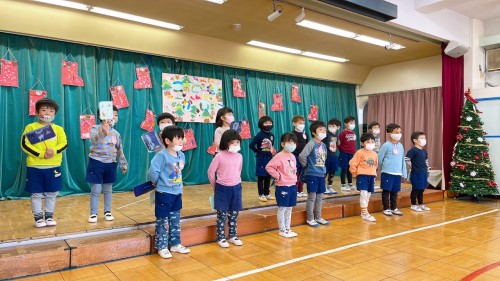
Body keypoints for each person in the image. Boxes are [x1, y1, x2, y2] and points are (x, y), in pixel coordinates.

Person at [21, 98, 67, 228]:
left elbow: (64, 144)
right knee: (36, 193)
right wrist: (41, 154)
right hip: (35, 166)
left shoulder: (58, 129)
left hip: (53, 166)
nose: (48, 113)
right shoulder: (31, 127)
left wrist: (54, 151)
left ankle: (49, 216)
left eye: (51, 111)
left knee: (52, 193)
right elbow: (25, 144)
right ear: (37, 112)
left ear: (54, 114)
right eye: (44, 110)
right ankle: (38, 218)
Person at [148, 126, 191, 258]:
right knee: (162, 221)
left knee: (175, 220)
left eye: (182, 138)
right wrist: (158, 184)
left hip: (177, 194)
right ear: (167, 141)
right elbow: (153, 172)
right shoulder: (161, 155)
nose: (181, 141)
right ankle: (161, 247)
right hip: (164, 194)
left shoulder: (181, 155)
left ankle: (175, 244)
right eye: (178, 138)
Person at [87, 105, 127, 223]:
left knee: (108, 189)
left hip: (110, 163)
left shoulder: (116, 133)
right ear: (101, 116)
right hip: (96, 162)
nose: (113, 118)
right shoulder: (95, 128)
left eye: (115, 115)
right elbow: (94, 140)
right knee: (96, 189)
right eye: (110, 115)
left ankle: (107, 211)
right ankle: (93, 213)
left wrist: (123, 163)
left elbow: (119, 149)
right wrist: (103, 132)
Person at [207, 130, 244, 248]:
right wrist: (215, 187)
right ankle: (221, 237)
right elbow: (211, 172)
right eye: (233, 143)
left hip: (236, 188)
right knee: (222, 215)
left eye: (237, 142)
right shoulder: (219, 156)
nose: (236, 145)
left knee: (234, 214)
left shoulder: (239, 156)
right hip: (222, 188)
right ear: (226, 143)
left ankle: (233, 235)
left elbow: (238, 171)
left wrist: (237, 182)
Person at [266, 132, 299, 238]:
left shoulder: (293, 156)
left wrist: (294, 179)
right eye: (289, 142)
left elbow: (294, 169)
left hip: (292, 185)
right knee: (282, 208)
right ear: (282, 144)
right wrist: (278, 176)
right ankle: (282, 230)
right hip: (282, 186)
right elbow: (269, 167)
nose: (292, 145)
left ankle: (288, 229)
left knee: (289, 208)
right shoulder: (279, 156)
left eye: (294, 143)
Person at [299, 121, 329, 227]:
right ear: (313, 132)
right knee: (312, 197)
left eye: (324, 130)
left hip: (321, 174)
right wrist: (307, 166)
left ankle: (318, 217)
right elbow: (302, 156)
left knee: (320, 197)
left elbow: (324, 158)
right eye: (320, 130)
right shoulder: (311, 143)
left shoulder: (324, 145)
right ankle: (310, 218)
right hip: (312, 174)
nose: (323, 132)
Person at [378, 123, 407, 216]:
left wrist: (403, 172)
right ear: (390, 133)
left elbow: (402, 159)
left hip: (397, 173)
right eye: (396, 132)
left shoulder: (401, 146)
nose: (399, 134)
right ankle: (386, 208)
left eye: (400, 132)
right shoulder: (386, 145)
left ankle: (394, 207)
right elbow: (379, 159)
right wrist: (384, 168)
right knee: (386, 191)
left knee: (395, 191)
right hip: (387, 172)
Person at [349, 133, 378, 222]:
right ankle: (365, 213)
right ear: (362, 143)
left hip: (371, 176)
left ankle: (364, 212)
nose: (370, 143)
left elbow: (376, 165)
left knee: (368, 194)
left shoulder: (374, 153)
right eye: (368, 142)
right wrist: (355, 174)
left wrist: (374, 174)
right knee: (364, 194)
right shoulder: (360, 152)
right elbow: (352, 163)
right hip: (362, 176)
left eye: (372, 141)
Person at [249, 116, 276, 202]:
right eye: (266, 123)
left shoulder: (272, 135)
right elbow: (251, 145)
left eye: (270, 123)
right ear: (261, 124)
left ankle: (267, 193)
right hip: (261, 158)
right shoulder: (259, 135)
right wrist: (257, 151)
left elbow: (272, 146)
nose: (268, 124)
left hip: (269, 158)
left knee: (268, 176)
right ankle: (261, 194)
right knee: (261, 177)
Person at [406, 131, 431, 212]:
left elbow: (426, 161)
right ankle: (413, 204)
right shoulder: (413, 150)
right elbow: (406, 159)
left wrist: (427, 169)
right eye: (422, 138)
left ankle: (420, 203)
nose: (424, 140)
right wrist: (412, 167)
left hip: (424, 173)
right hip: (416, 173)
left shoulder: (424, 151)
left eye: (424, 138)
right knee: (416, 189)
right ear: (415, 140)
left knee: (422, 189)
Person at [338, 116, 357, 191]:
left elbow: (353, 143)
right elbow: (339, 143)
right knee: (344, 169)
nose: (353, 124)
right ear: (345, 124)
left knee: (350, 169)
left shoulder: (353, 132)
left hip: (351, 154)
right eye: (351, 123)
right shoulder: (343, 133)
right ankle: (343, 185)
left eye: (354, 123)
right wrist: (343, 150)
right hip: (344, 153)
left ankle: (350, 183)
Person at [291, 115, 308, 198]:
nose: (302, 125)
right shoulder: (292, 134)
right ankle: (295, 190)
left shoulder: (305, 134)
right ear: (294, 124)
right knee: (296, 173)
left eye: (303, 123)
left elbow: (307, 145)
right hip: (295, 156)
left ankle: (300, 190)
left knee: (302, 173)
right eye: (300, 123)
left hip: (303, 157)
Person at [323, 118, 341, 195]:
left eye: (333, 126)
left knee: (332, 172)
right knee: (325, 172)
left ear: (338, 127)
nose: (331, 127)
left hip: (334, 155)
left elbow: (338, 144)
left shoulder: (336, 135)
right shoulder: (326, 134)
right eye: (330, 125)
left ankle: (329, 186)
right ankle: (323, 187)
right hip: (326, 156)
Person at [367, 121, 382, 189]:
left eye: (378, 127)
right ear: (370, 129)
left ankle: (373, 183)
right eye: (374, 127)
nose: (377, 129)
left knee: (375, 169)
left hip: (377, 154)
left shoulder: (378, 137)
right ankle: (368, 183)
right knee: (369, 169)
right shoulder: (368, 136)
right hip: (369, 155)